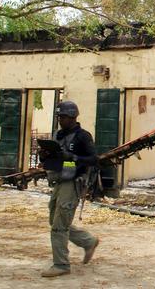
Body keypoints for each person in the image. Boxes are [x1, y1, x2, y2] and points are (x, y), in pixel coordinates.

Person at [39, 101, 100, 277]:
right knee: (54, 219)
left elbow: (93, 160)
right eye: (58, 116)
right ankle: (88, 242)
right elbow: (54, 158)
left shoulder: (82, 136)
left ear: (73, 117)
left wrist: (72, 157)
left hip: (72, 182)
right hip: (58, 179)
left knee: (59, 225)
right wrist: (45, 155)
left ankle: (61, 264)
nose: (60, 120)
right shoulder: (58, 135)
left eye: (63, 117)